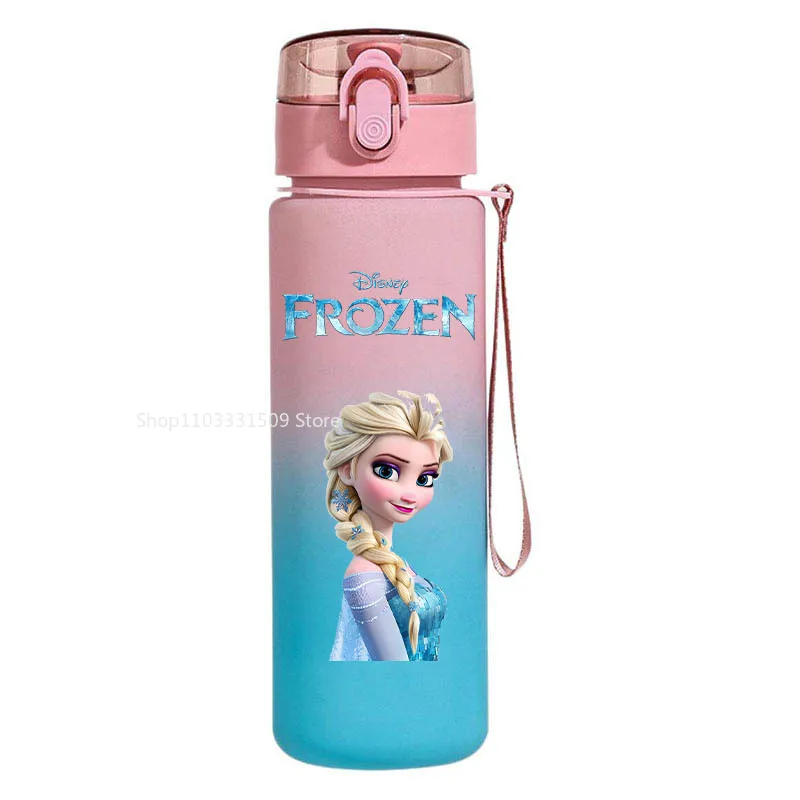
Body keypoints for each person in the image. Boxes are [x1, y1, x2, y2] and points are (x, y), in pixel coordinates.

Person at [326, 391, 451, 661]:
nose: (410, 494)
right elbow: (393, 668)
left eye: (425, 478)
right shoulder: (364, 576)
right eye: (387, 471)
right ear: (348, 471)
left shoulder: (394, 563)